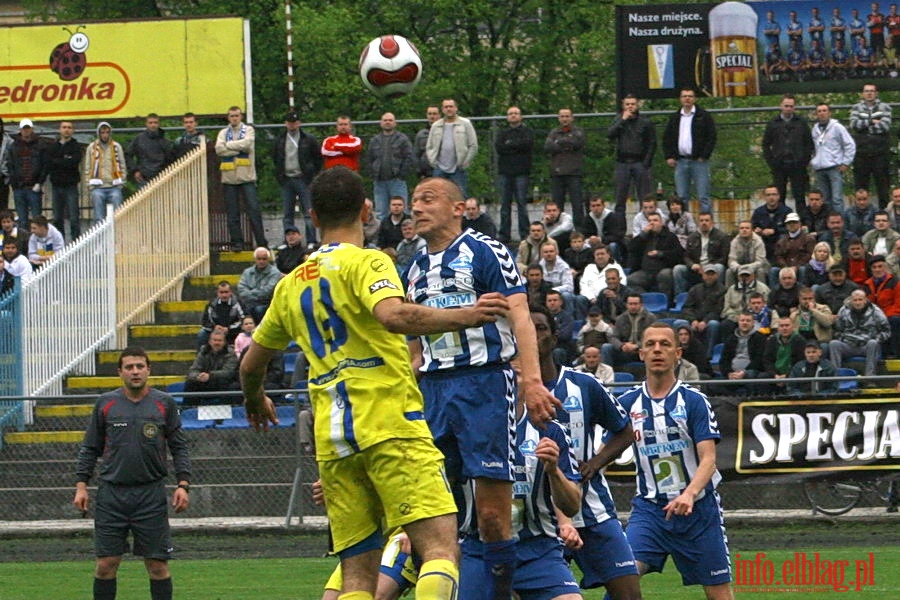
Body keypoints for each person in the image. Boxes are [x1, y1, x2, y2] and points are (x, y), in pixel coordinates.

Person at [240, 166, 518, 600]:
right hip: (390, 425)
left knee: (356, 576)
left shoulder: (289, 284)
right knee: (440, 549)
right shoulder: (369, 261)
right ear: (367, 210)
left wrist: (255, 398)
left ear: (312, 217)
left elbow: (251, 364)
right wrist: (465, 315)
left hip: (334, 440)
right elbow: (395, 316)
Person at [402, 176, 560, 598]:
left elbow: (520, 316)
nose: (416, 207)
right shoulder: (413, 266)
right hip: (433, 390)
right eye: (413, 201)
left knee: (492, 515)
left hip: (485, 385)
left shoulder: (485, 250)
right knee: (429, 511)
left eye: (428, 199)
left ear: (459, 208)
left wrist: (531, 381)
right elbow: (413, 343)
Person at [529, 305, 641, 599]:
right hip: (536, 520)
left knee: (629, 594)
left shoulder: (584, 385)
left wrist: (595, 462)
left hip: (592, 509)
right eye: (526, 327)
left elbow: (625, 430)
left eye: (540, 328)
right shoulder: (507, 391)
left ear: (554, 338)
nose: (533, 334)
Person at [617, 323, 733, 599]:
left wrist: (689, 494)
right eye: (651, 344)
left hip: (698, 511)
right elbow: (602, 447)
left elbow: (709, 460)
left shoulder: (694, 401)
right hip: (649, 510)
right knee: (623, 576)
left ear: (678, 353)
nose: (658, 349)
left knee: (718, 592)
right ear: (641, 353)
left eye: (665, 344)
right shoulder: (625, 403)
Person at [457, 356, 583, 600]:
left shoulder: (551, 431)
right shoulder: (464, 430)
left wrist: (554, 471)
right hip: (478, 548)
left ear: (530, 381)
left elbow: (572, 504)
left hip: (537, 549)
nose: (509, 380)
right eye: (502, 374)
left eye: (516, 373)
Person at [74, 347, 191, 600]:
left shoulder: (164, 403)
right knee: (106, 566)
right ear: (120, 372)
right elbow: (90, 447)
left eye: (140, 366)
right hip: (111, 495)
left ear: (149, 369)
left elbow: (179, 446)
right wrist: (81, 485)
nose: (135, 371)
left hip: (150, 495)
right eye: (129, 367)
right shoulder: (106, 404)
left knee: (158, 566)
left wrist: (183, 484)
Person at [215, 106, 268, 251]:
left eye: (237, 115)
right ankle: (237, 242)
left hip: (247, 177)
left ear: (241, 117)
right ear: (228, 117)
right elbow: (219, 149)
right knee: (232, 213)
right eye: (231, 116)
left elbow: (247, 144)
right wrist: (238, 147)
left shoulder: (249, 130)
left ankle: (261, 242)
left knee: (253, 210)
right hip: (229, 178)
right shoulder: (223, 132)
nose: (234, 118)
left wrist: (229, 146)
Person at [662, 88, 717, 214]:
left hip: (699, 161)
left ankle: (707, 227)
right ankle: (684, 227)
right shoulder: (675, 117)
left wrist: (704, 155)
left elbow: (711, 137)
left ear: (695, 99)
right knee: (681, 197)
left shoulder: (703, 116)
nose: (687, 98)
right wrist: (669, 156)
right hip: (680, 161)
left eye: (690, 96)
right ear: (680, 99)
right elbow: (667, 138)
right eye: (684, 96)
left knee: (704, 196)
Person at [273, 111, 322, 245]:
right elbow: (275, 158)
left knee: (308, 211)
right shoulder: (280, 139)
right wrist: (280, 175)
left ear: (299, 123)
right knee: (287, 213)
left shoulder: (308, 139)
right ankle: (288, 239)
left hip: (304, 179)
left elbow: (317, 158)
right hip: (287, 179)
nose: (292, 125)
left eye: (294, 123)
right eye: (289, 123)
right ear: (285, 124)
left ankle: (311, 240)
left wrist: (311, 173)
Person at [762, 95, 813, 211]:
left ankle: (802, 222)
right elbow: (765, 144)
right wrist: (771, 162)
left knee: (799, 196)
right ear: (781, 106)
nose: (788, 108)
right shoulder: (773, 123)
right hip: (779, 165)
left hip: (798, 165)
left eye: (791, 106)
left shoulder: (801, 123)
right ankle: (781, 222)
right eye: (786, 106)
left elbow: (808, 144)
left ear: (794, 108)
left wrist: (804, 161)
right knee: (779, 195)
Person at [608, 94, 656, 216]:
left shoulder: (645, 122)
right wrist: (622, 120)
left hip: (640, 162)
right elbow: (610, 135)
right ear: (623, 105)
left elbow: (652, 143)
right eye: (627, 104)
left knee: (645, 198)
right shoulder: (618, 120)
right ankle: (619, 231)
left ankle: (645, 227)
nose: (630, 107)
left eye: (633, 104)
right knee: (620, 198)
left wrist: (646, 163)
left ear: (637, 105)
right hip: (622, 162)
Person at [828, 289, 891, 378]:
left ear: (865, 300)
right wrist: (843, 338)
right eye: (855, 300)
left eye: (860, 299)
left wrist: (876, 339)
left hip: (866, 345)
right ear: (851, 300)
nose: (858, 302)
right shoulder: (843, 310)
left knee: (873, 343)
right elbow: (837, 330)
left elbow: (886, 331)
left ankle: (870, 377)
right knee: (834, 344)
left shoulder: (875, 311)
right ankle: (835, 378)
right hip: (848, 345)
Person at [494, 106, 534, 243]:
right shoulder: (502, 133)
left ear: (521, 116)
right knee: (505, 205)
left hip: (522, 172)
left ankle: (525, 234)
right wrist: (515, 146)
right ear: (507, 117)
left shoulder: (527, 132)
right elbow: (499, 147)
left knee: (522, 204)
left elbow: (527, 145)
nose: (513, 116)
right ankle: (504, 235)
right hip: (505, 172)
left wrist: (510, 145)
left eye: (516, 113)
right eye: (510, 114)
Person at [850, 83, 892, 208]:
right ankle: (862, 213)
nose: (869, 93)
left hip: (880, 153)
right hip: (861, 153)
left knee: (883, 186)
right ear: (863, 93)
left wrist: (864, 127)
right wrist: (871, 121)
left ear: (876, 93)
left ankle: (884, 213)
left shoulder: (885, 107)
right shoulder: (856, 107)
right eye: (867, 91)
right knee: (861, 188)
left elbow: (885, 126)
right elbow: (854, 125)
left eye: (872, 91)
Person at [426, 98, 478, 196]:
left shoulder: (465, 123)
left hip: (458, 168)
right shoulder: (436, 126)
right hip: (439, 169)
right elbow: (429, 146)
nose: (448, 109)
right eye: (446, 107)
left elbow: (473, 146)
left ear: (456, 108)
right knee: (438, 198)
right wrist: (433, 161)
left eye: (451, 106)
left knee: (460, 197)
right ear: (442, 109)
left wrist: (465, 162)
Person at [810, 103, 856, 213]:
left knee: (837, 199)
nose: (822, 113)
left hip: (835, 167)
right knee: (825, 200)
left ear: (829, 113)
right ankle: (828, 223)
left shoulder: (837, 127)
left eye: (824, 110)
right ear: (816, 114)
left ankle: (840, 224)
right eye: (819, 111)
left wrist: (846, 163)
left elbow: (850, 145)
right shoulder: (815, 129)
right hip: (820, 168)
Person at [626, 212, 682, 302]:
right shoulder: (645, 237)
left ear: (661, 223)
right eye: (650, 221)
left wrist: (660, 253)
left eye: (655, 220)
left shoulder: (670, 236)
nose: (652, 223)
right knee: (631, 280)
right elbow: (631, 247)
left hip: (663, 269)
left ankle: (665, 303)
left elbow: (678, 254)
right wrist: (643, 233)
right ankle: (646, 301)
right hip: (646, 271)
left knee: (665, 275)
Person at [366, 112, 413, 220]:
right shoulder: (375, 140)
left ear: (395, 123)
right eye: (385, 120)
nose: (388, 122)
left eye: (390, 120)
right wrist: (372, 173)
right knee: (380, 212)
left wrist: (402, 174)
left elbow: (409, 157)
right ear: (381, 123)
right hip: (379, 182)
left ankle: (402, 235)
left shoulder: (402, 139)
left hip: (397, 181)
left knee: (401, 210)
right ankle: (383, 235)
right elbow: (369, 158)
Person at [673, 211, 729, 296]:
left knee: (719, 267)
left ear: (712, 222)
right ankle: (680, 298)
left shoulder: (721, 236)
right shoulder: (692, 237)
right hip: (696, 268)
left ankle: (718, 295)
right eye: (701, 220)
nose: (704, 223)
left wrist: (708, 267)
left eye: (707, 220)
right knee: (678, 269)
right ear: (698, 222)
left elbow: (724, 257)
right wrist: (692, 265)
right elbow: (686, 256)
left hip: (712, 268)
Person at [545, 108, 587, 219]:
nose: (565, 119)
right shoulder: (553, 132)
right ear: (559, 118)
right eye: (562, 116)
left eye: (567, 116)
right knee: (557, 205)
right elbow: (548, 146)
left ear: (572, 118)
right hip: (557, 172)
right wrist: (567, 143)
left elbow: (578, 143)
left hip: (574, 172)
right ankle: (557, 229)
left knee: (577, 204)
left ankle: (579, 230)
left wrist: (559, 142)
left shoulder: (578, 131)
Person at [45, 120, 83, 241]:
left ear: (73, 130)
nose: (66, 129)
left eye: (69, 127)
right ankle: (60, 245)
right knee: (57, 218)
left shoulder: (76, 146)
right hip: (56, 186)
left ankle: (76, 243)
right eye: (64, 127)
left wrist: (59, 160)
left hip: (71, 185)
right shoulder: (53, 146)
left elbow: (73, 162)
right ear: (60, 130)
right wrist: (65, 159)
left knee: (74, 217)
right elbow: (49, 163)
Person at [84, 122, 126, 224]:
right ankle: (101, 238)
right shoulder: (91, 147)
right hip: (98, 187)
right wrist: (89, 185)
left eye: (107, 132)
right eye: (102, 132)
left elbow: (122, 164)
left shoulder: (116, 146)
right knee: (99, 218)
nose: (105, 135)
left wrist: (122, 182)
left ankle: (118, 236)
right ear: (98, 133)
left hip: (114, 186)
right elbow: (87, 167)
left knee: (118, 216)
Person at [601, 293, 656, 368]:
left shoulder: (650, 318)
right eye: (630, 304)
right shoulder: (620, 318)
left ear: (641, 304)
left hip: (643, 351)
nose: (633, 306)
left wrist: (637, 346)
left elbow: (652, 337)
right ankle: (606, 376)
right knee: (606, 347)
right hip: (625, 351)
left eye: (635, 304)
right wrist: (622, 346)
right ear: (626, 305)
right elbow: (614, 337)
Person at [681, 265, 726, 358]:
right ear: (703, 275)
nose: (709, 276)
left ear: (717, 275)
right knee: (679, 323)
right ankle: (681, 353)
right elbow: (686, 307)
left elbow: (719, 310)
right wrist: (693, 320)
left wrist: (705, 321)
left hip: (710, 320)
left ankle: (708, 355)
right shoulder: (695, 289)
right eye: (707, 274)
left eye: (712, 274)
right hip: (694, 319)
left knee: (714, 324)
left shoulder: (723, 290)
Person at [8, 118, 45, 226]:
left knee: (37, 220)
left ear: (32, 129)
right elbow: (10, 165)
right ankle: (24, 243)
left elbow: (44, 165)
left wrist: (39, 182)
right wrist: (14, 184)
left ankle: (38, 242)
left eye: (28, 128)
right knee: (22, 221)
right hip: (19, 188)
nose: (26, 131)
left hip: (34, 188)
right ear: (20, 130)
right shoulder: (13, 146)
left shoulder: (40, 145)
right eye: (24, 128)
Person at [184, 329, 239, 400]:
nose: (217, 343)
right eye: (215, 340)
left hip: (222, 383)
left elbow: (228, 372)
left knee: (229, 384)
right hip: (206, 382)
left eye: (220, 340)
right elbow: (193, 370)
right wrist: (198, 376)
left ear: (224, 342)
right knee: (190, 383)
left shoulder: (231, 353)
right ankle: (188, 409)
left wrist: (210, 376)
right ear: (210, 341)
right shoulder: (203, 351)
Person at [237, 247, 283, 322]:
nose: (261, 261)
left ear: (268, 259)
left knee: (258, 310)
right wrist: (255, 294)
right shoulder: (247, 272)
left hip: (266, 304)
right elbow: (241, 289)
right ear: (255, 259)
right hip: (249, 302)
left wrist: (251, 292)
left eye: (264, 259)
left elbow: (267, 291)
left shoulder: (275, 273)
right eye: (259, 259)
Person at [126, 113, 172, 188]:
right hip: (143, 179)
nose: (153, 125)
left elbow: (170, 160)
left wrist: (166, 173)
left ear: (159, 124)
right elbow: (128, 155)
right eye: (150, 123)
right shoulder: (138, 139)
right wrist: (135, 171)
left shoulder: (165, 141)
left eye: (155, 122)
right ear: (146, 124)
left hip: (161, 178)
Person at [578, 195, 626, 262]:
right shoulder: (588, 218)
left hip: (608, 243)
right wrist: (589, 240)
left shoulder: (612, 217)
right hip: (593, 244)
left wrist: (600, 239)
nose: (596, 208)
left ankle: (615, 264)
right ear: (590, 207)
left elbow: (618, 235)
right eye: (593, 206)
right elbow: (583, 234)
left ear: (603, 206)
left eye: (598, 205)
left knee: (613, 246)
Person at [197, 281, 245, 348]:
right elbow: (205, 321)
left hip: (233, 332)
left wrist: (229, 329)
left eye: (226, 292)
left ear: (230, 292)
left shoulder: (238, 303)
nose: (224, 295)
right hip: (215, 332)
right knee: (202, 334)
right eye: (221, 292)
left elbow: (244, 320)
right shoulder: (211, 304)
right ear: (217, 293)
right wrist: (214, 327)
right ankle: (202, 356)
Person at [762, 316, 806, 388]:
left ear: (793, 327)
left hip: (792, 373)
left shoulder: (800, 341)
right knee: (762, 377)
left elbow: (800, 362)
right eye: (781, 326)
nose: (784, 328)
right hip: (775, 374)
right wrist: (774, 375)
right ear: (778, 328)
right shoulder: (772, 340)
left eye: (787, 325)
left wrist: (786, 375)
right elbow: (767, 360)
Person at [751, 185, 792, 263]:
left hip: (780, 241)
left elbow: (791, 229)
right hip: (763, 241)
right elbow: (753, 227)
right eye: (768, 195)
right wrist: (758, 231)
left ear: (779, 196)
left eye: (774, 194)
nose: (771, 197)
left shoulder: (787, 211)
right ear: (764, 197)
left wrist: (774, 231)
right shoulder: (758, 212)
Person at [727, 220, 769, 286]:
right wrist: (738, 267)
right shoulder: (734, 242)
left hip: (756, 268)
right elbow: (731, 260)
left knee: (760, 271)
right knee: (729, 272)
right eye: (742, 228)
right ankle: (729, 294)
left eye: (747, 228)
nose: (744, 230)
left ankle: (761, 293)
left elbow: (760, 261)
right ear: (739, 230)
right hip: (739, 267)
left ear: (752, 230)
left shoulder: (758, 241)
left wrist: (748, 267)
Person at [414, 105, 441, 179]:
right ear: (427, 115)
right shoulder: (421, 134)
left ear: (439, 115)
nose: (432, 116)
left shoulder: (446, 131)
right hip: (426, 174)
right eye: (430, 114)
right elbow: (416, 155)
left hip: (443, 172)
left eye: (434, 114)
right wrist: (419, 172)